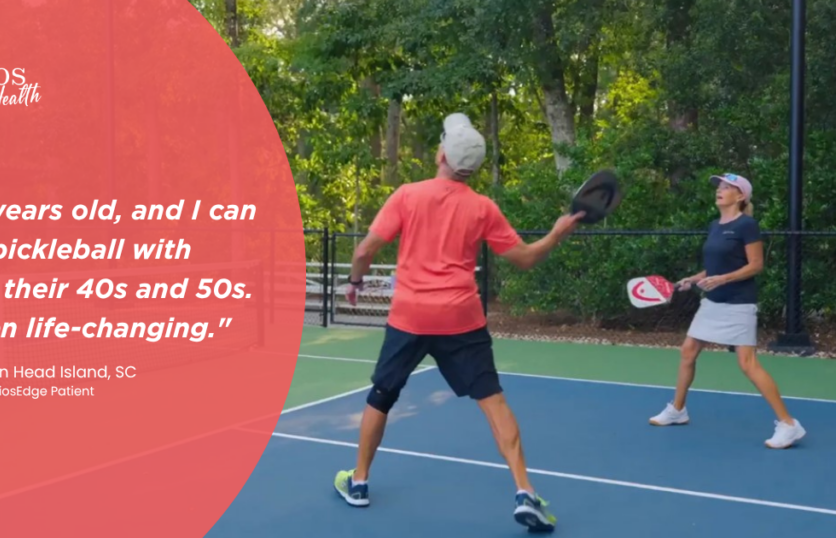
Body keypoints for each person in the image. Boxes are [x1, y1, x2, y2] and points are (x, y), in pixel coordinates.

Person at [332, 113, 585, 533]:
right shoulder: (482, 207)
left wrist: (355, 282)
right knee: (493, 399)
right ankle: (525, 491)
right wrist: (557, 233)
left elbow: (365, 249)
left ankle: (358, 483)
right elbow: (524, 258)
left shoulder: (408, 195)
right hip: (461, 317)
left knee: (381, 394)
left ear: (441, 153)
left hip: (410, 315)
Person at [648, 173, 806, 449]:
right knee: (688, 351)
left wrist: (722, 279)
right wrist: (693, 279)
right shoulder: (714, 226)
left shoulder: (747, 225)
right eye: (719, 187)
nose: (719, 191)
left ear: (741, 196)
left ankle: (788, 425)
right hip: (713, 302)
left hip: (738, 302)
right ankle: (678, 410)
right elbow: (714, 267)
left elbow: (755, 265)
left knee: (747, 364)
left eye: (727, 188)